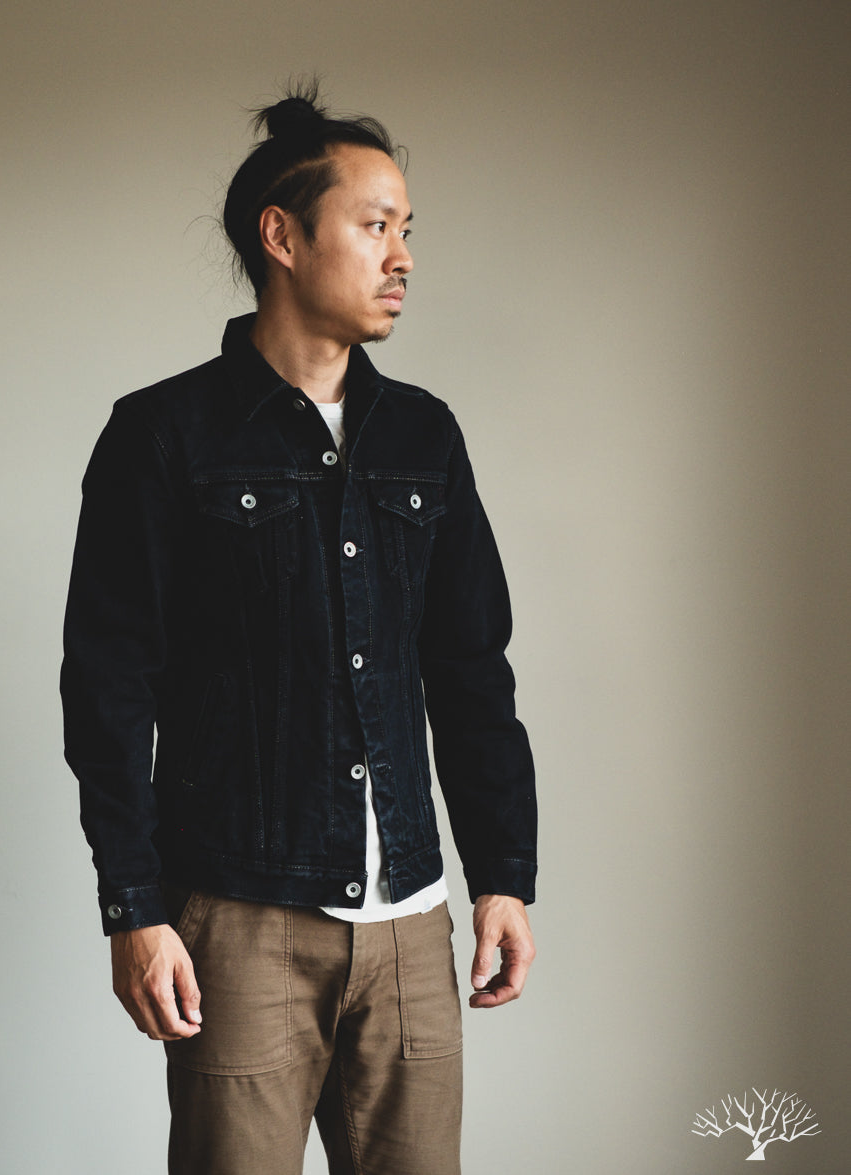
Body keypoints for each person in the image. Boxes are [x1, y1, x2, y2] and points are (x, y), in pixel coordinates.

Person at [61, 81, 537, 1175]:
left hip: (411, 923)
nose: (401, 257)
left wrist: (503, 873)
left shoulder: (425, 436)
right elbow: (108, 685)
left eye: (406, 230)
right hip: (238, 920)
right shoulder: (163, 435)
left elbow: (472, 672)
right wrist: (134, 906)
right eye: (374, 226)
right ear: (282, 236)